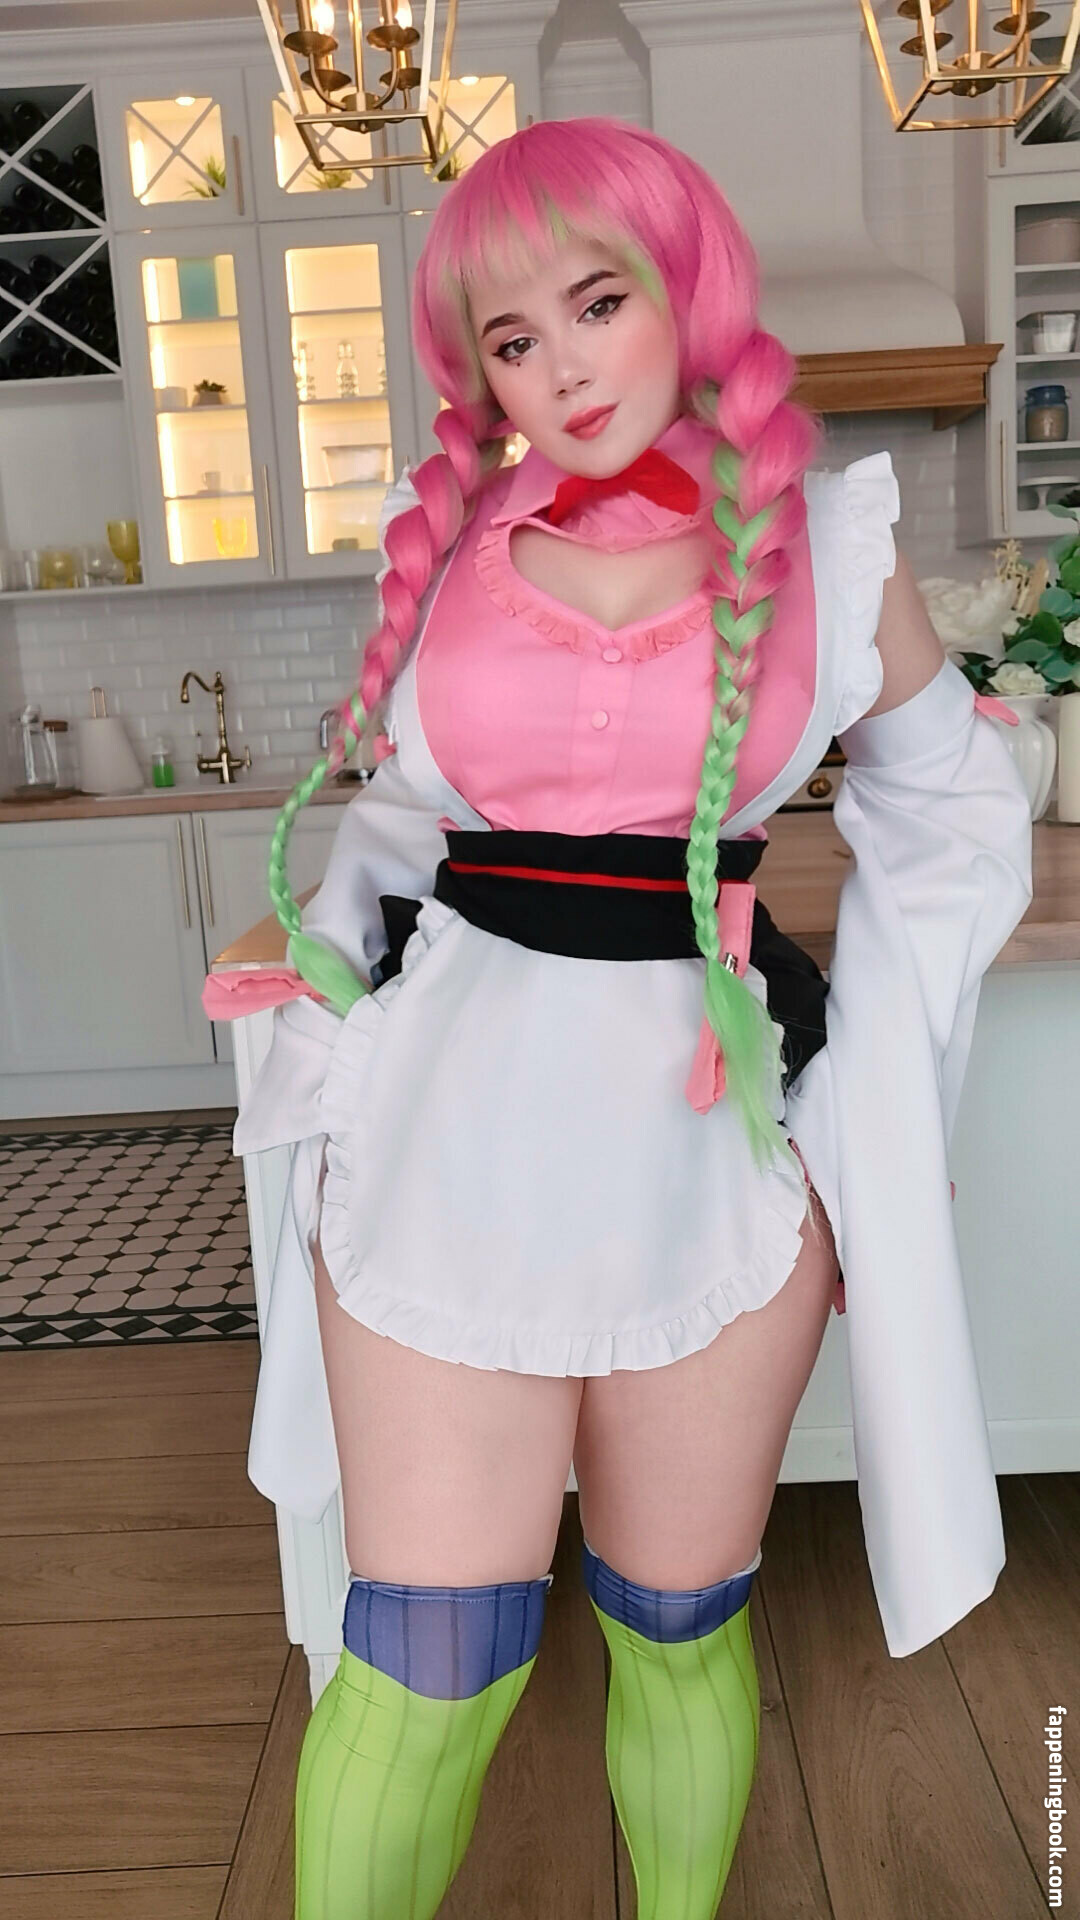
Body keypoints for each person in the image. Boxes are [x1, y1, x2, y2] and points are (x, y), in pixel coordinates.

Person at [219, 118, 1033, 1919]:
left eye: (600, 303)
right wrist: (328, 984)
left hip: (710, 1146)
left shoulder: (829, 542)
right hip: (448, 1136)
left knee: (681, 1627)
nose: (565, 367)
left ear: (691, 291)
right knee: (427, 1663)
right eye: (514, 339)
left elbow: (954, 805)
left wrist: (884, 1081)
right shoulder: (442, 541)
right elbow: (392, 836)